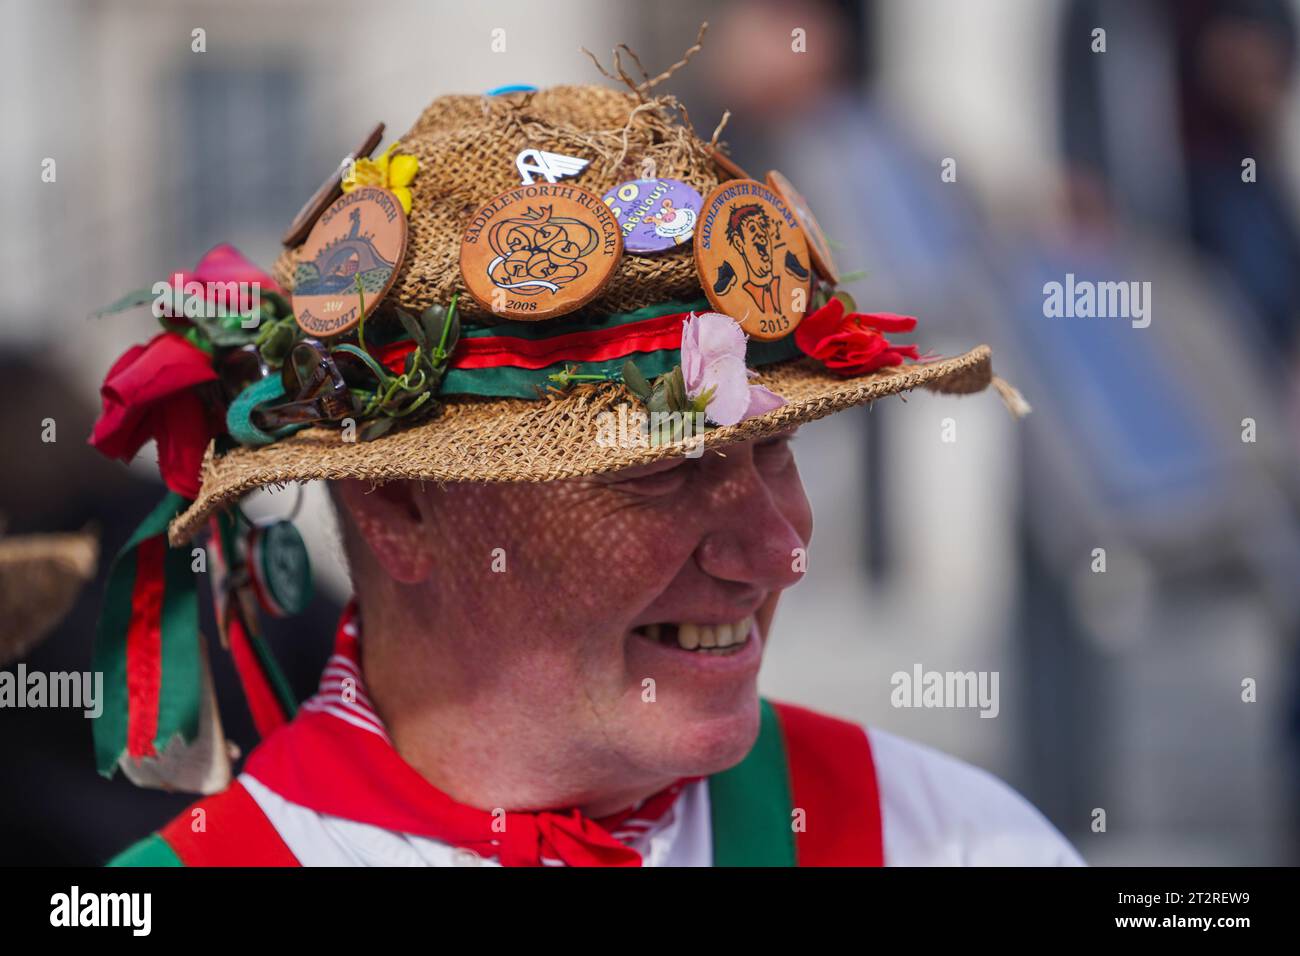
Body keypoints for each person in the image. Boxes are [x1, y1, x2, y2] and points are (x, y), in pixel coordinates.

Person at [88, 76, 1079, 867]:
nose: (776, 552)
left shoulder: (946, 838)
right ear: (396, 506)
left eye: (773, 445)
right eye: (659, 470)